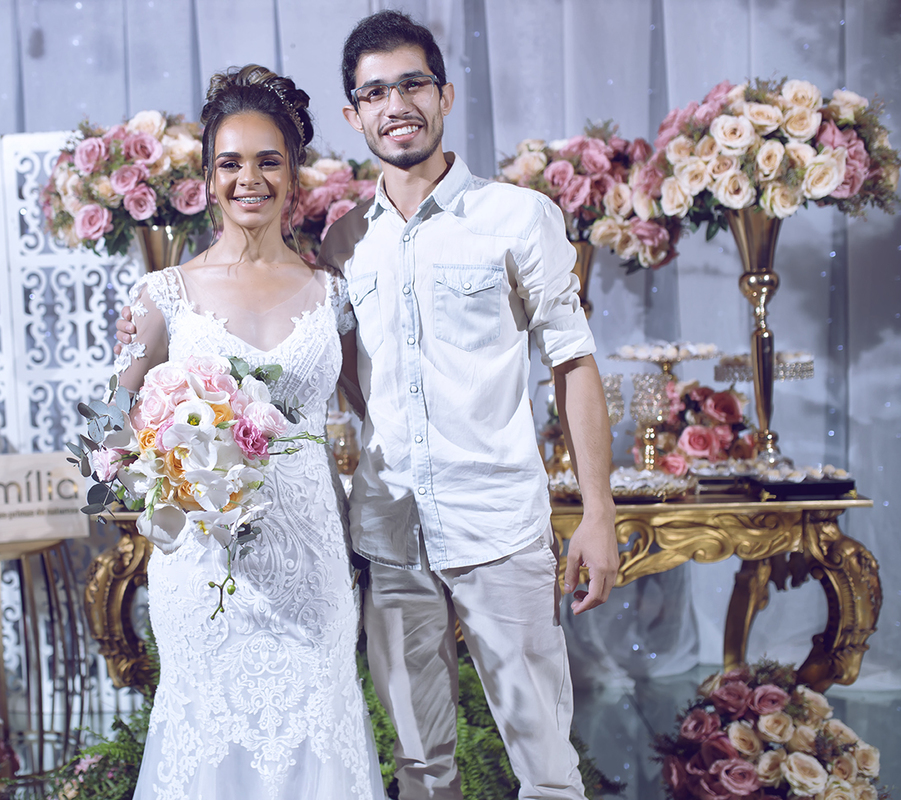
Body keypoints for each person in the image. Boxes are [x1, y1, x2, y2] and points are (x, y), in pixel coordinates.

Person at [318, 11, 620, 800]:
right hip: (391, 534)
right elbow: (349, 373)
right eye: (375, 93)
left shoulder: (517, 216)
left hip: (499, 529)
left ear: (445, 95)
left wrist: (598, 513)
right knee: (420, 768)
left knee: (547, 771)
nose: (396, 105)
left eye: (412, 84)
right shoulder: (343, 244)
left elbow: (574, 362)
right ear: (354, 115)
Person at [112, 65, 386, 800]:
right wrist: (157, 461)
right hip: (204, 566)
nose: (249, 179)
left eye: (269, 161)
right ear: (208, 177)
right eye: (230, 163)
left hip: (311, 562)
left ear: (293, 173)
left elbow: (375, 410)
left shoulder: (333, 293)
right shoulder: (164, 294)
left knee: (317, 735)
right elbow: (113, 423)